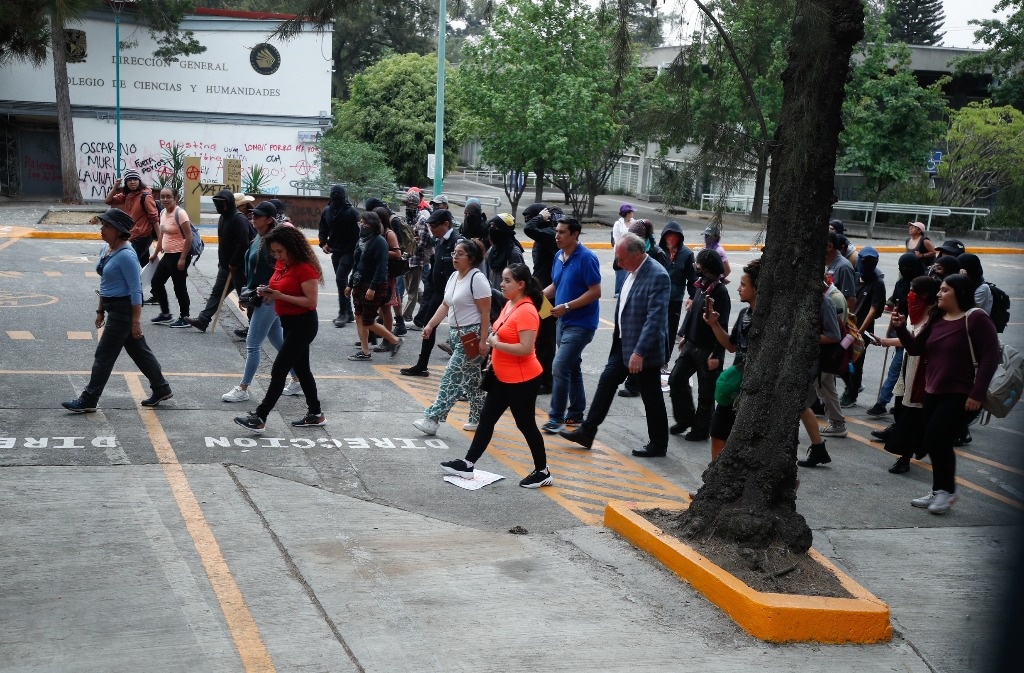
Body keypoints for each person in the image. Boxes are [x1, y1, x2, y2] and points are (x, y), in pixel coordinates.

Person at [892, 273, 999, 514]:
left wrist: (977, 393)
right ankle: (939, 489)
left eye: (944, 290)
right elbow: (915, 348)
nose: (938, 294)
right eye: (939, 290)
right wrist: (900, 329)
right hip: (933, 390)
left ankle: (947, 492)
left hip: (960, 392)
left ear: (959, 293)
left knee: (937, 438)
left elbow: (991, 357)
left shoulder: (976, 318)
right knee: (932, 440)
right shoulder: (937, 318)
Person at [440, 263, 552, 488]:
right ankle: (468, 463)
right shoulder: (511, 304)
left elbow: (526, 348)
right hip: (503, 377)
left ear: (521, 285)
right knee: (487, 418)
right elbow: (501, 331)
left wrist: (496, 343)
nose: (501, 284)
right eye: (502, 279)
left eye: (507, 280)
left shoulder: (528, 310)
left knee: (525, 424)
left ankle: (543, 471)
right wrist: (493, 339)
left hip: (522, 380)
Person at [560, 233, 670, 457]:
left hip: (643, 349)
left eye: (621, 259)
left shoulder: (657, 275)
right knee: (607, 382)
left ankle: (659, 444)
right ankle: (587, 431)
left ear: (638, 255)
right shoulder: (631, 271)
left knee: (651, 397)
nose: (617, 264)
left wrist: (640, 352)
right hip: (622, 344)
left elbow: (655, 319)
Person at [62, 209, 172, 412]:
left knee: (104, 355)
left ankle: (89, 399)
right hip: (113, 307)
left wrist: (136, 322)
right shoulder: (106, 249)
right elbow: (105, 282)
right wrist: (100, 310)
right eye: (102, 224)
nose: (102, 228)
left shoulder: (127, 256)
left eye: (107, 226)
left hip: (124, 310)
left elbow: (136, 291)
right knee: (139, 351)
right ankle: (161, 388)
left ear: (119, 231)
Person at [234, 226, 326, 433]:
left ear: (292, 247)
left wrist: (280, 296)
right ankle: (316, 414)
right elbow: (277, 285)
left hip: (304, 323)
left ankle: (260, 416)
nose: (277, 256)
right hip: (289, 322)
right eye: (274, 252)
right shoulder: (282, 264)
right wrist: (263, 292)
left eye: (280, 252)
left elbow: (311, 302)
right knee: (303, 369)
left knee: (278, 370)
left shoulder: (305, 268)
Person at [222, 202, 302, 403]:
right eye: (252, 215)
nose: (253, 218)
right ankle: (297, 378)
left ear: (269, 219)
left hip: (268, 297)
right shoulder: (259, 236)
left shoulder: (275, 241)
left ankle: (243, 388)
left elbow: (285, 269)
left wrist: (270, 291)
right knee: (279, 341)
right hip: (258, 295)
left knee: (252, 344)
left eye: (257, 216)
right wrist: (247, 294)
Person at [412, 239, 492, 435]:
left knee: (451, 377)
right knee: (472, 380)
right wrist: (430, 325)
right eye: (455, 253)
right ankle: (479, 418)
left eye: (460, 254)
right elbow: (446, 305)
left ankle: (432, 419)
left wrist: (483, 340)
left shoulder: (477, 279)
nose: (455, 257)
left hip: (471, 336)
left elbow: (485, 312)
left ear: (471, 258)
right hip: (456, 335)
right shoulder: (455, 276)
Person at [540, 216, 602, 433]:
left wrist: (567, 306)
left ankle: (555, 418)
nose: (557, 236)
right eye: (556, 231)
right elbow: (556, 285)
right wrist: (537, 297)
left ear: (575, 234)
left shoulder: (587, 258)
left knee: (559, 366)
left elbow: (595, 291)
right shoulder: (559, 256)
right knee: (571, 366)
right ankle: (575, 414)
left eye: (562, 232)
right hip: (562, 322)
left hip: (581, 324)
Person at [878, 275, 941, 474]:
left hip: (921, 373)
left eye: (912, 290)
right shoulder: (918, 313)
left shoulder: (935, 319)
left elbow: (919, 346)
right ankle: (916, 445)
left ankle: (904, 458)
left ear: (924, 294)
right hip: (909, 367)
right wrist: (887, 340)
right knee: (901, 409)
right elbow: (912, 341)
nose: (909, 295)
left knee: (911, 416)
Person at [668, 248, 731, 441]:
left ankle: (701, 428)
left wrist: (717, 355)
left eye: (700, 265)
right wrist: (685, 335)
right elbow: (692, 312)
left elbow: (723, 324)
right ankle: (685, 418)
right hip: (692, 344)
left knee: (706, 393)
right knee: (676, 379)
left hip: (708, 350)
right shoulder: (701, 286)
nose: (697, 268)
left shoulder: (720, 292)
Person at [703, 258, 759, 461]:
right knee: (718, 432)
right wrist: (714, 325)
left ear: (757, 288)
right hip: (735, 387)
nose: (738, 289)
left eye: (744, 285)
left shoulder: (769, 321)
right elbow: (732, 345)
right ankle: (713, 482)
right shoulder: (745, 313)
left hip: (754, 391)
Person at [866, 252, 926, 417]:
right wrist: (891, 328)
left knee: (898, 369)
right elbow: (896, 307)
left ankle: (883, 402)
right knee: (899, 369)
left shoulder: (924, 285)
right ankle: (893, 401)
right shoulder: (901, 284)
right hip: (900, 329)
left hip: (914, 332)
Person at [184, 188, 253, 332]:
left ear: (228, 204)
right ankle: (203, 320)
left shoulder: (239, 219)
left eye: (220, 204)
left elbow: (243, 244)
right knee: (217, 293)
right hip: (225, 266)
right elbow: (224, 243)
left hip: (239, 268)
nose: (217, 207)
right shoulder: (223, 217)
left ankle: (253, 328)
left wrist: (234, 263)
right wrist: (222, 261)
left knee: (245, 297)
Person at [401, 209, 459, 377]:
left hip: (456, 297)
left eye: (435, 226)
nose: (432, 229)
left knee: (462, 334)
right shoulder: (439, 241)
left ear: (446, 224)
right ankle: (422, 364)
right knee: (428, 327)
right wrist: (430, 291)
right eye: (430, 226)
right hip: (439, 294)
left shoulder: (457, 242)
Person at [796, 279, 846, 468]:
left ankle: (820, 446)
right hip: (801, 360)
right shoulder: (796, 298)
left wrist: (804, 338)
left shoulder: (823, 302)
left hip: (810, 362)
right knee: (801, 404)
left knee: (802, 403)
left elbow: (834, 335)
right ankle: (818, 449)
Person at [346, 211, 404, 361]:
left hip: (373, 286)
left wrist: (372, 287)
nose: (362, 226)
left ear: (373, 225)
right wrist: (350, 284)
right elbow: (357, 264)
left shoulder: (380, 242)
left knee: (368, 320)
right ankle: (365, 352)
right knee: (358, 316)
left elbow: (381, 267)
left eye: (365, 223)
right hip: (359, 283)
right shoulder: (361, 241)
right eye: (361, 223)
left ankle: (395, 340)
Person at [840, 246, 886, 408]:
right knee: (842, 359)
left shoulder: (877, 283)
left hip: (862, 331)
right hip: (847, 327)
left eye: (871, 262)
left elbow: (874, 309)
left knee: (856, 362)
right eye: (864, 261)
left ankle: (851, 394)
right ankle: (853, 386)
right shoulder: (854, 276)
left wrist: (859, 332)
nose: (866, 265)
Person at [523, 203, 559, 394]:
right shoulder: (543, 234)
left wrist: (541, 217)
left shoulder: (547, 234)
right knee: (539, 337)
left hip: (547, 295)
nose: (527, 220)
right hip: (541, 292)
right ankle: (540, 377)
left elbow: (528, 228)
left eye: (530, 216)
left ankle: (546, 381)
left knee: (545, 338)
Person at [147, 186, 193, 328]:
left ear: (175, 198)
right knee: (156, 282)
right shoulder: (162, 213)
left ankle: (185, 317)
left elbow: (189, 237)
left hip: (179, 255)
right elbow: (162, 234)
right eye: (162, 197)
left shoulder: (180, 214)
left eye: (168, 197)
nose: (165, 199)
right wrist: (155, 253)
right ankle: (166, 314)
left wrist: (183, 258)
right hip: (167, 255)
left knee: (179, 287)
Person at [318, 184, 360, 327]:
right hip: (335, 251)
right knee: (341, 281)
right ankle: (348, 312)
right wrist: (323, 243)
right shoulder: (327, 212)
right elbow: (322, 228)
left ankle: (343, 313)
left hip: (350, 251)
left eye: (339, 196)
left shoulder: (352, 213)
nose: (336, 199)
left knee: (340, 278)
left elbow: (360, 233)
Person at [659, 220, 696, 366]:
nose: (672, 239)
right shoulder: (658, 252)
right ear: (664, 237)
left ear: (680, 238)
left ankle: (664, 361)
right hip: (657, 297)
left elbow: (692, 278)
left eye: (676, 237)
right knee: (654, 328)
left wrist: (692, 296)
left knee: (670, 330)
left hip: (674, 299)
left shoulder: (687, 254)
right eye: (669, 236)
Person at [104, 169, 158, 267]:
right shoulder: (128, 195)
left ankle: (134, 282)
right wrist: (115, 186)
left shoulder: (145, 196)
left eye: (135, 179)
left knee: (130, 262)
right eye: (129, 180)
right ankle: (151, 282)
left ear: (139, 181)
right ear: (126, 182)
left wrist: (160, 240)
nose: (132, 182)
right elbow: (108, 201)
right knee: (143, 264)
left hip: (144, 235)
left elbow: (154, 219)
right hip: (134, 233)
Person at [404, 193, 433, 328]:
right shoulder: (408, 219)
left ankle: (406, 316)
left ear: (416, 205)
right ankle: (429, 307)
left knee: (412, 290)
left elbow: (423, 240)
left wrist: (413, 243)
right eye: (406, 204)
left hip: (417, 259)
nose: (407, 207)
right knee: (411, 289)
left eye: (409, 205)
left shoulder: (421, 219)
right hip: (408, 259)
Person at [482, 213, 524, 288]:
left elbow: (520, 280)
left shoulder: (513, 253)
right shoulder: (492, 250)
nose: (491, 229)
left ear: (504, 230)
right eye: (491, 226)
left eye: (495, 227)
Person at [825, 231, 856, 313]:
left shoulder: (844, 267)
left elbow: (850, 299)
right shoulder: (823, 263)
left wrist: (844, 322)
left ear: (829, 247)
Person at [611, 204, 635, 296]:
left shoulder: (634, 222)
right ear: (628, 213)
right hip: (621, 250)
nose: (633, 213)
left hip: (632, 250)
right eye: (632, 212)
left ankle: (628, 290)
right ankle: (618, 291)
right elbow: (617, 239)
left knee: (631, 271)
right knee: (620, 271)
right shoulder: (618, 224)